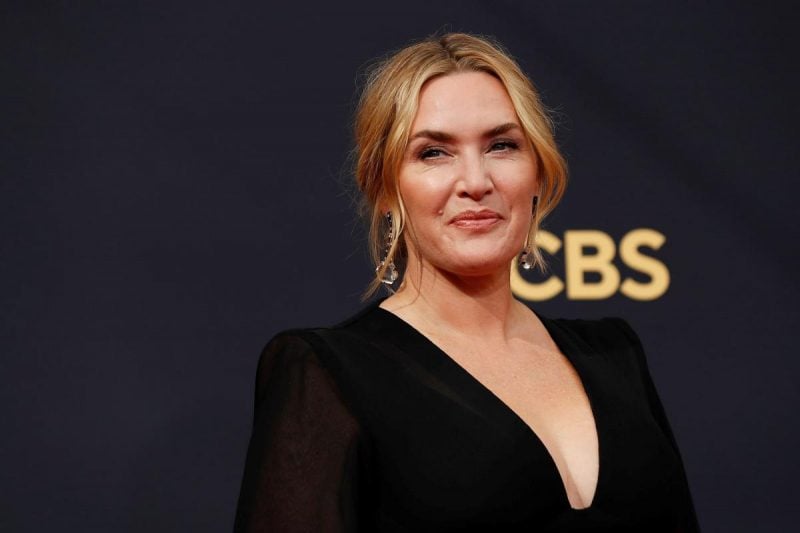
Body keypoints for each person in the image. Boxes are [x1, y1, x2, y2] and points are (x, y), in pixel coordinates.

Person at [234, 33, 700, 532]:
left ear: (538, 173)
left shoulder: (615, 355)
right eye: (434, 152)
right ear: (385, 187)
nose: (476, 182)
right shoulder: (329, 375)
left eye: (502, 146)